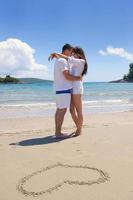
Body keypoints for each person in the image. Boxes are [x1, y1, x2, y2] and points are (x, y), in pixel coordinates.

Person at [49, 46, 88, 136]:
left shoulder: (81, 61)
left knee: (79, 110)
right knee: (71, 110)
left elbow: (66, 58)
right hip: (70, 88)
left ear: (79, 54)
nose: (73, 55)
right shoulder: (73, 62)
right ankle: (78, 127)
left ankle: (79, 130)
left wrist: (56, 53)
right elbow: (65, 61)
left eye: (74, 53)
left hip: (77, 87)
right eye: (72, 53)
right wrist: (57, 56)